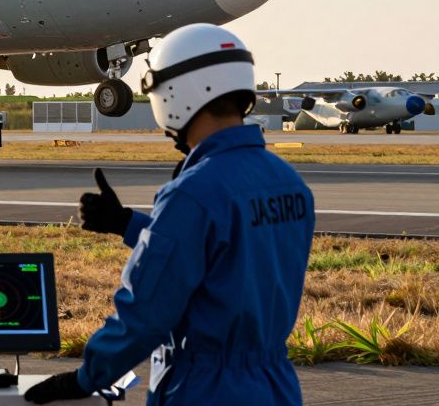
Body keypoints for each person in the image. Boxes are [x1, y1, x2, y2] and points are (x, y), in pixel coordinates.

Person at [25, 24, 315, 405]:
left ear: (177, 92)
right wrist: (127, 224)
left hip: (205, 389)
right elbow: (227, 257)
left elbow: (145, 313)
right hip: (276, 385)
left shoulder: (193, 193)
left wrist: (86, 378)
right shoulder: (289, 183)